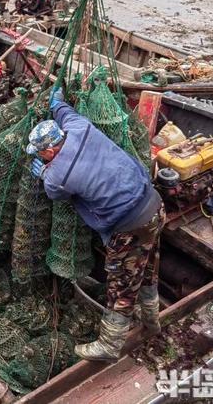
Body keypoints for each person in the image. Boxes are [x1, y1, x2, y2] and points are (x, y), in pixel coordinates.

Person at [27, 88, 165, 362]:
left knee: (121, 287)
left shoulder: (56, 175)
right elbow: (65, 112)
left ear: (51, 149)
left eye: (40, 154)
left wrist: (43, 172)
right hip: (154, 207)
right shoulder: (79, 126)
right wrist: (58, 102)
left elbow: (55, 194)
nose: (39, 157)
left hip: (129, 227)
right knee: (147, 268)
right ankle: (151, 320)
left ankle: (110, 346)